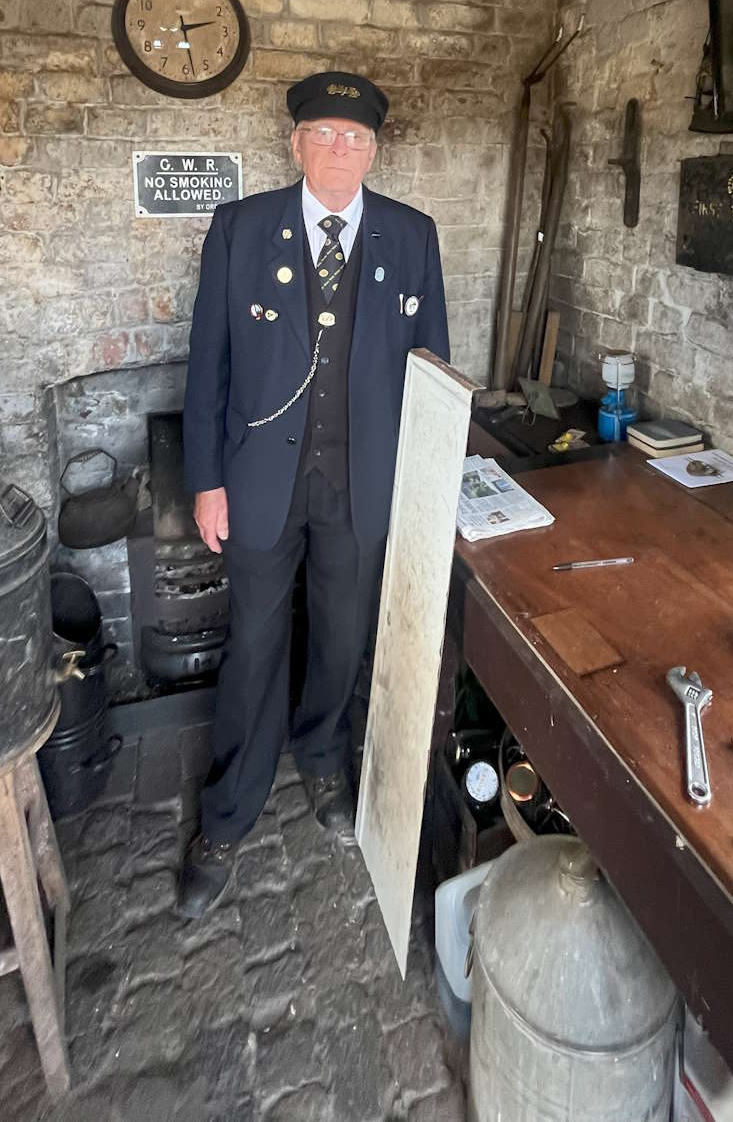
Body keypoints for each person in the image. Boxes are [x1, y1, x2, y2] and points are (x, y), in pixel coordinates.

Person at [177, 69, 450, 918]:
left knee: (340, 635)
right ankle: (227, 812)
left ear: (375, 148)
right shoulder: (240, 227)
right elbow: (207, 363)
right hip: (260, 480)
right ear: (294, 142)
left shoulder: (412, 235)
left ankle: (323, 758)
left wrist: (425, 489)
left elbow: (432, 369)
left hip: (362, 482)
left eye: (357, 137)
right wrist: (206, 480)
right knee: (254, 646)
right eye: (325, 134)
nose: (341, 149)